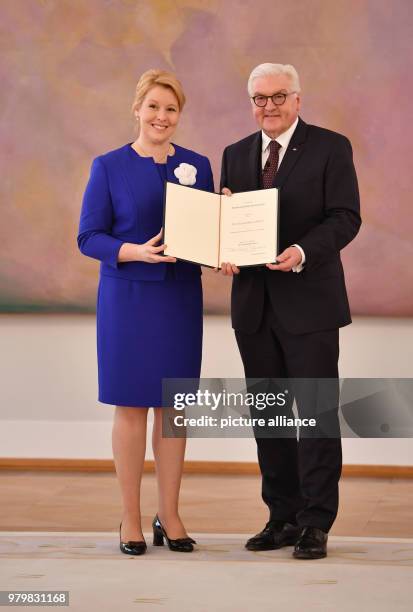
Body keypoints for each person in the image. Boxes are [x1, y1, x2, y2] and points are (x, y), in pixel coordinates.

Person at [220, 63, 361, 559]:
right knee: (271, 416)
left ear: (298, 99)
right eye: (260, 98)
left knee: (317, 416)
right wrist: (223, 246)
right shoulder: (235, 154)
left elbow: (345, 217)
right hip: (254, 307)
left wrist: (302, 252)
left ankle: (316, 522)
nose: (269, 106)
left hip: (311, 302)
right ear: (251, 103)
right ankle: (281, 515)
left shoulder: (330, 147)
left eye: (279, 96)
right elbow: (229, 222)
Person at [77, 69, 214, 555]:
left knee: (175, 409)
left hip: (178, 299)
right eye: (154, 107)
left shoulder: (199, 165)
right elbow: (89, 237)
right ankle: (130, 518)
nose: (162, 117)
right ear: (137, 109)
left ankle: (170, 514)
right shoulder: (108, 166)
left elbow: (204, 236)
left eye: (171, 109)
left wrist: (227, 234)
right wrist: (135, 251)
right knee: (132, 406)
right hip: (129, 300)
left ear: (180, 115)